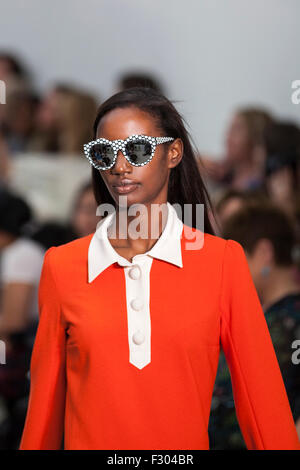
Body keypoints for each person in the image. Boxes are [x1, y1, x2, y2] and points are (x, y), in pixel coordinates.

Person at [19, 87, 300, 450]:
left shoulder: (221, 263)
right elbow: (42, 415)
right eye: (105, 154)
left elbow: (265, 409)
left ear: (173, 153)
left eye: (137, 150)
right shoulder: (63, 266)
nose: (119, 167)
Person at [209, 202, 300, 448]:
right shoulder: (255, 316)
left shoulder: (293, 321)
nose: (229, 269)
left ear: (264, 252)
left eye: (240, 258)